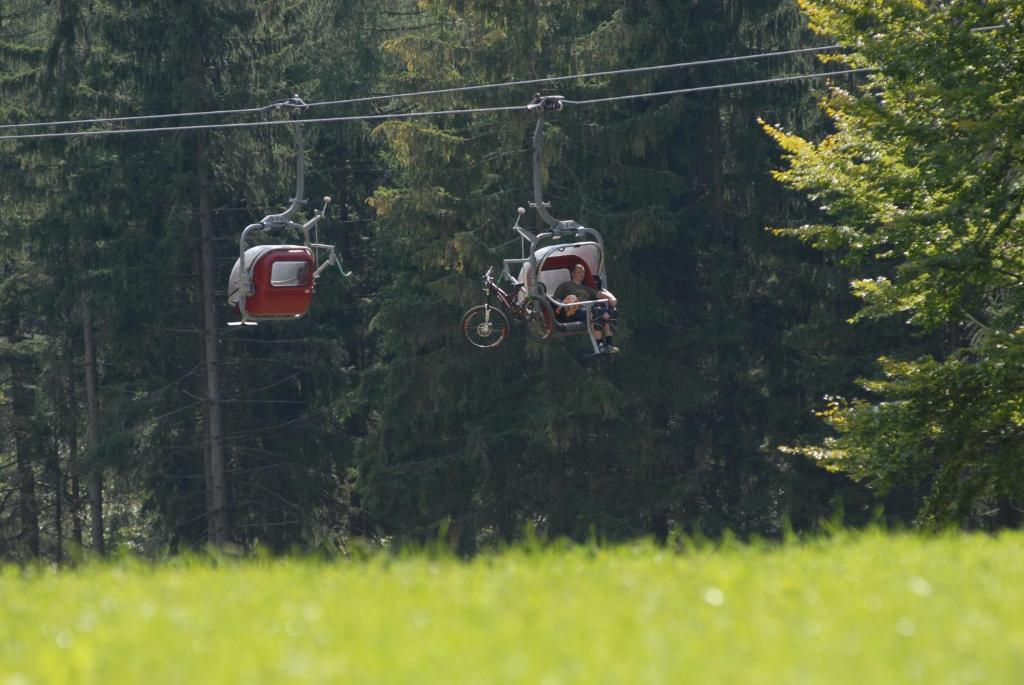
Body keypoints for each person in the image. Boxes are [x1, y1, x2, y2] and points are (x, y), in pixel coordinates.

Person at [553, 263, 619, 353]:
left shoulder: (586, 288)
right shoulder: (566, 285)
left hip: (588, 311)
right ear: (572, 274)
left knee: (612, 312)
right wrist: (564, 305)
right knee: (595, 312)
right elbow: (556, 299)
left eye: (583, 272)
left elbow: (599, 294)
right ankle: (600, 345)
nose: (581, 274)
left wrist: (611, 298)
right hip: (574, 312)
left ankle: (609, 344)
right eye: (579, 272)